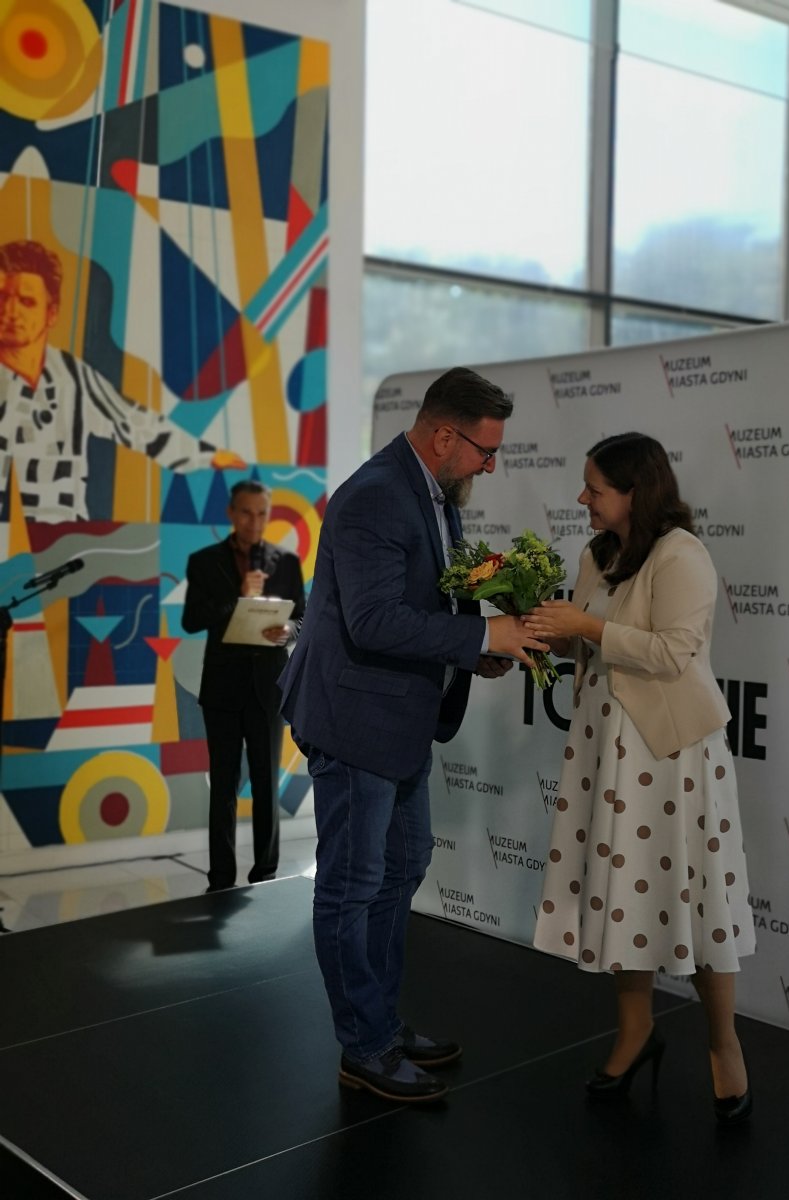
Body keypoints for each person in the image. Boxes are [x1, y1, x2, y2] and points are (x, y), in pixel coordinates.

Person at [278, 366, 547, 1104]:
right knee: (352, 885)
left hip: (397, 720)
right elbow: (373, 621)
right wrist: (483, 633)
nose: (490, 466)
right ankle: (363, 1046)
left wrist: (474, 650)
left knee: (402, 866)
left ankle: (381, 1024)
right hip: (354, 721)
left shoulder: (429, 493)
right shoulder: (375, 496)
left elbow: (418, 607)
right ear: (443, 436)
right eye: (485, 451)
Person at [524, 432, 755, 1125]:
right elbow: (589, 643)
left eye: (595, 488)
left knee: (697, 895)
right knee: (623, 892)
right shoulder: (596, 555)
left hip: (670, 756)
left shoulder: (683, 554)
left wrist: (586, 626)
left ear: (635, 492)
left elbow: (675, 653)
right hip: (607, 750)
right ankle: (635, 1031)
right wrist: (545, 635)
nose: (582, 498)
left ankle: (723, 1043)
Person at [0, 239, 241, 522]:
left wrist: (207, 456)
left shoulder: (71, 375)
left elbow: (133, 423)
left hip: (61, 533)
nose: (11, 312)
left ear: (51, 313)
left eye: (27, 302)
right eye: (2, 297)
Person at [183, 480, 305, 891]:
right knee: (223, 786)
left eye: (262, 513)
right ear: (232, 514)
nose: (255, 521)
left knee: (267, 784)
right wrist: (236, 597)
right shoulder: (204, 562)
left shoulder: (286, 562)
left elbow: (304, 619)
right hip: (222, 688)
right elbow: (191, 620)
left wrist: (288, 631)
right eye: (247, 512)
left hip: (268, 687)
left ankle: (265, 875)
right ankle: (220, 879)